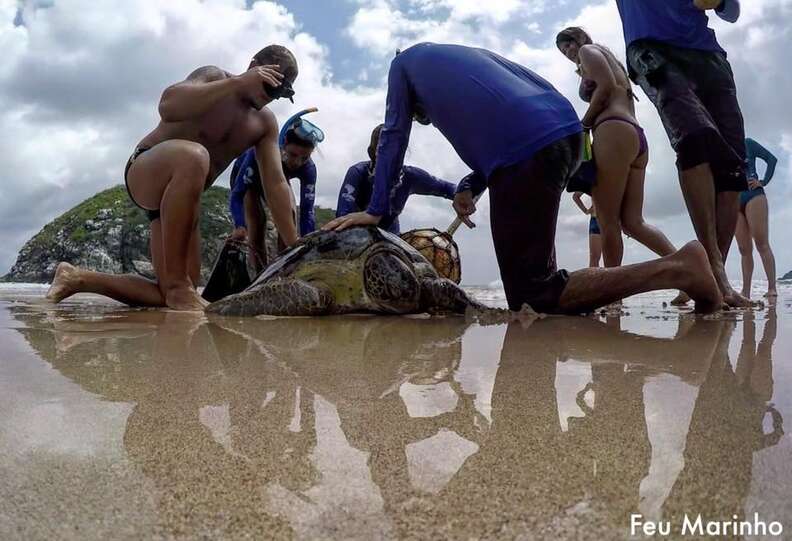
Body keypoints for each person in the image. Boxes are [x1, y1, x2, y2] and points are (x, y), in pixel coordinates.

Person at [323, 42, 722, 314]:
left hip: (528, 153)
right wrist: (470, 185)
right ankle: (678, 268)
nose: (419, 117)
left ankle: (680, 268)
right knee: (539, 278)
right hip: (562, 135)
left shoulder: (402, 65)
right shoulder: (467, 58)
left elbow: (393, 133)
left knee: (532, 295)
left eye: (418, 113)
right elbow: (508, 118)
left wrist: (375, 210)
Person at [46, 45, 301, 310]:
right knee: (195, 157)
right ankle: (179, 285)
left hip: (180, 202)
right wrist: (236, 84)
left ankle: (77, 278)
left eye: (281, 93)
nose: (271, 96)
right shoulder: (214, 77)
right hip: (148, 169)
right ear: (254, 66)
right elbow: (168, 105)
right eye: (270, 85)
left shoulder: (264, 124)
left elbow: (276, 184)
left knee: (170, 294)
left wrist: (295, 248)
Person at [615, 0, 751, 307]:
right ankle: (711, 267)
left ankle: (715, 277)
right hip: (651, 50)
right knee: (693, 138)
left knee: (732, 167)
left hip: (708, 57)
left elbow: (731, 12)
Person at [557, 27, 689, 304]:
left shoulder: (588, 52)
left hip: (612, 131)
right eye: (563, 49)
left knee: (607, 221)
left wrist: (582, 126)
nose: (569, 51)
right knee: (633, 221)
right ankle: (688, 270)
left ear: (581, 38)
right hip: (635, 137)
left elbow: (607, 88)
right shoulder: (610, 59)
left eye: (569, 43)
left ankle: (610, 295)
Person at [229, 108, 324, 271]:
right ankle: (259, 273)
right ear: (283, 143)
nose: (297, 162)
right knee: (257, 223)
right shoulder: (256, 154)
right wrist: (240, 225)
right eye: (293, 155)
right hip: (250, 179)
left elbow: (307, 211)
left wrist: (308, 242)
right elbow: (237, 195)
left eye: (305, 157)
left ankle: (284, 268)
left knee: (290, 216)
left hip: (279, 177)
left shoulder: (308, 169)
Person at [335, 124, 457, 234]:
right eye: (384, 150)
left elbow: (448, 188)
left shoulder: (410, 176)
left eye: (397, 149)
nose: (392, 155)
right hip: (357, 237)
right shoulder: (358, 173)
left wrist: (465, 193)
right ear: (372, 152)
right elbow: (343, 216)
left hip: (391, 240)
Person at [735, 137, 778, 299]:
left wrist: (763, 181)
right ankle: (745, 291)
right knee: (743, 249)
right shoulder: (721, 147)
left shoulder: (747, 143)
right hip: (733, 200)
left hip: (754, 195)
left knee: (761, 243)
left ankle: (772, 288)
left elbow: (771, 159)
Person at [572, 192, 602, 267]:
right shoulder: (592, 180)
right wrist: (585, 210)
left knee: (611, 259)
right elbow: (575, 196)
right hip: (596, 220)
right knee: (594, 258)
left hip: (612, 222)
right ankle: (594, 278)